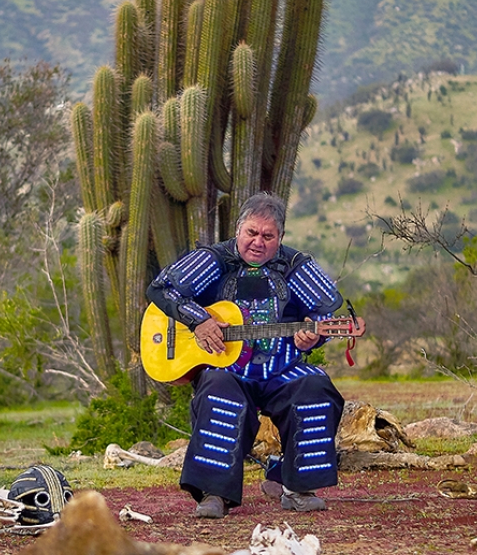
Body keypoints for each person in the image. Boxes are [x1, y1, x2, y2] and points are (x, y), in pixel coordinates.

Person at [147, 192, 345, 519]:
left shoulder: (295, 266)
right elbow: (161, 288)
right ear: (238, 229)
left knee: (316, 388)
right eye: (251, 233)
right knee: (218, 390)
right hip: (229, 369)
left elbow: (322, 314)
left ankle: (294, 485)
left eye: (268, 236)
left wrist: (312, 338)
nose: (258, 242)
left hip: (282, 371)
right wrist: (199, 320)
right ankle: (214, 494)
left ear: (280, 238)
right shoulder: (215, 260)